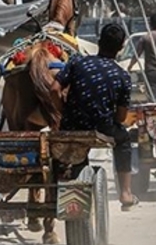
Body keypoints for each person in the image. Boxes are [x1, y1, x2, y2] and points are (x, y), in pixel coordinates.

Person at [52, 24, 136, 209]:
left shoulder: (77, 62)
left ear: (98, 42)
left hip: (72, 124)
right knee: (124, 140)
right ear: (121, 48)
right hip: (102, 127)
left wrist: (63, 111)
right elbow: (121, 117)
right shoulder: (122, 76)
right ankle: (126, 192)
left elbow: (54, 89)